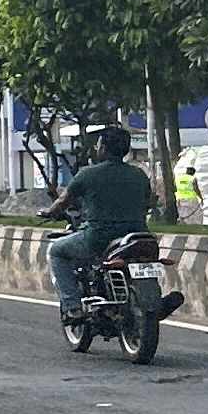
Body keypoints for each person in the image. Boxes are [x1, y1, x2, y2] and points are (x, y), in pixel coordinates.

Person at [46, 125, 158, 315]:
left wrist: (50, 212)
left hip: (98, 238)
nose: (96, 149)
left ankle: (72, 306)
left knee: (56, 251)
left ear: (104, 148)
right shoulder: (139, 175)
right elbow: (148, 202)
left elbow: (63, 201)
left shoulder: (87, 174)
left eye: (98, 145)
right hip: (138, 236)